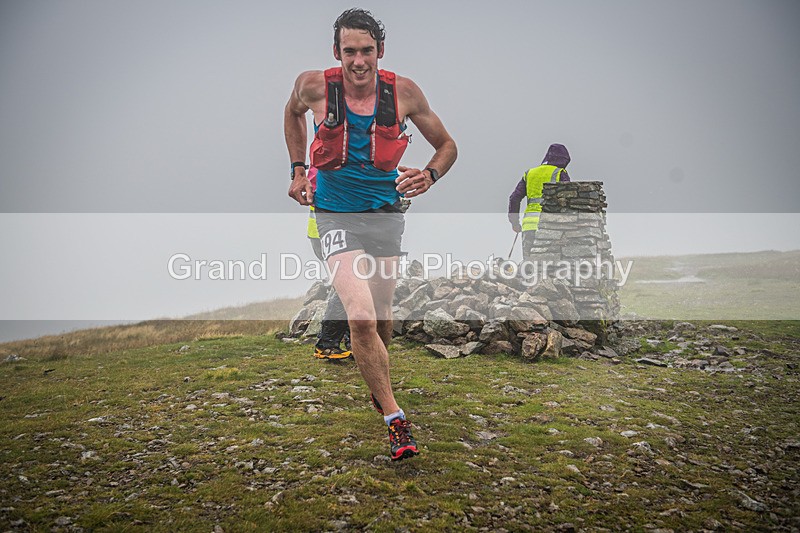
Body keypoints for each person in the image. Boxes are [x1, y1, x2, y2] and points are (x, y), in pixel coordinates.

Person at [284, 8, 457, 461]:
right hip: (335, 216)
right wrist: (299, 169)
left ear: (380, 51)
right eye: (349, 51)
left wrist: (430, 175)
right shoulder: (315, 86)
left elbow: (447, 144)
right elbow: (292, 113)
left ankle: (378, 386)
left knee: (382, 318)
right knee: (359, 316)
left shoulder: (403, 93)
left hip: (385, 215)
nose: (358, 61)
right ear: (336, 52)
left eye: (366, 51)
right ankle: (395, 419)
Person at [306, 166, 352, 360]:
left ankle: (353, 341)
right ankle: (327, 343)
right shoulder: (325, 166)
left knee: (356, 286)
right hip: (327, 236)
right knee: (347, 287)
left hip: (329, 235)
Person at [508, 143, 571, 260]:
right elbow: (568, 198)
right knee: (550, 267)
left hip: (529, 226)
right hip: (551, 226)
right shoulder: (559, 173)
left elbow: (514, 198)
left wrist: (515, 223)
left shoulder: (530, 173)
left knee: (530, 266)